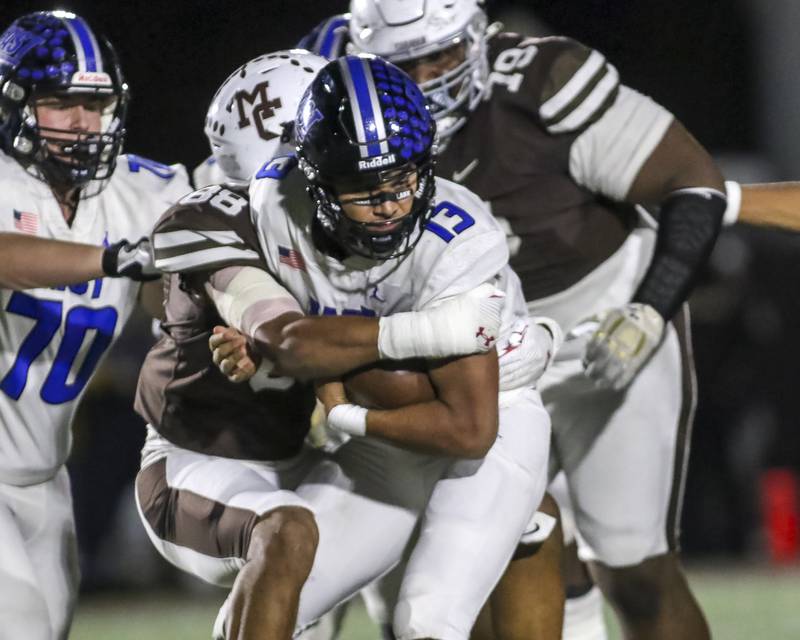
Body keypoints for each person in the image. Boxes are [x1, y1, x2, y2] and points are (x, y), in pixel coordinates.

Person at [294, 2, 739, 639]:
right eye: (403, 64)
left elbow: (692, 182)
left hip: (597, 332)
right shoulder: (341, 99)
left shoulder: (544, 82)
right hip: (466, 353)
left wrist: (648, 308)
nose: (424, 80)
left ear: (477, 39)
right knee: (488, 561)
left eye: (441, 56)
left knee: (634, 567)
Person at [135, 50, 556, 640]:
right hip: (375, 432)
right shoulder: (272, 207)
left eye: (402, 179)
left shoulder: (458, 237)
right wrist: (301, 360)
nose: (388, 206)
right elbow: (294, 340)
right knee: (255, 610)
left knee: (428, 619)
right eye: (361, 187)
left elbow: (468, 428)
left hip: (487, 416)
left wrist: (341, 405)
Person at [0, 10, 191, 640]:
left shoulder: (137, 191)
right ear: (15, 103)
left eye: (97, 102)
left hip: (44, 473)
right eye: (60, 103)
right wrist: (115, 259)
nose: (83, 122)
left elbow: (215, 243)